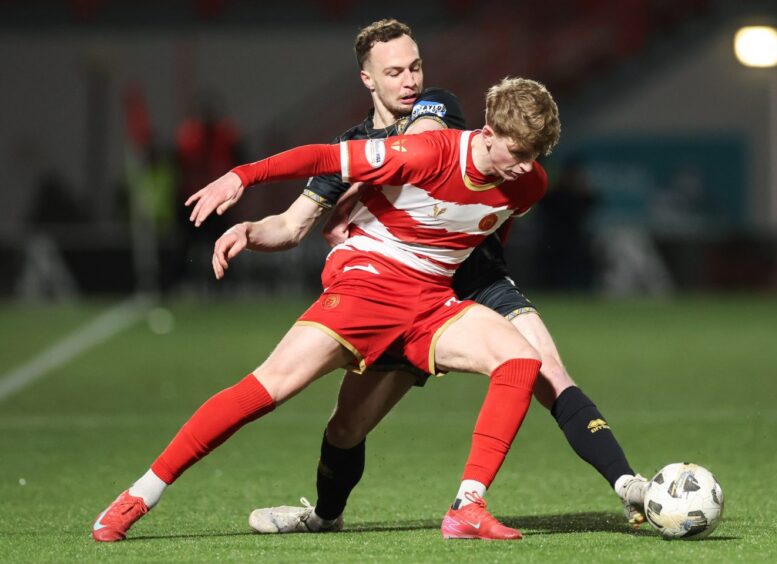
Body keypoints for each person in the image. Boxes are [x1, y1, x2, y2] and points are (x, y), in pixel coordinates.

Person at [91, 74, 561, 543]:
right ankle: (140, 494)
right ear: (488, 133)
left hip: (431, 302)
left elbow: (482, 230)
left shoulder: (528, 184)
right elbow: (323, 157)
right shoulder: (430, 153)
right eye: (518, 153)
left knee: (520, 359)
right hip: (368, 289)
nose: (525, 167)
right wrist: (242, 175)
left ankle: (467, 507)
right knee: (268, 388)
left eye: (535, 156)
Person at [238, 20, 647, 537]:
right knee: (347, 426)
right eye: (395, 72)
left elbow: (435, 150)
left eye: (415, 66)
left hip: (475, 276)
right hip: (397, 287)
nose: (410, 80)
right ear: (369, 80)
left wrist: (371, 195)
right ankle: (323, 516)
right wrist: (255, 228)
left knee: (545, 368)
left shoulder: (436, 107)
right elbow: (295, 225)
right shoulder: (350, 147)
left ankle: (631, 486)